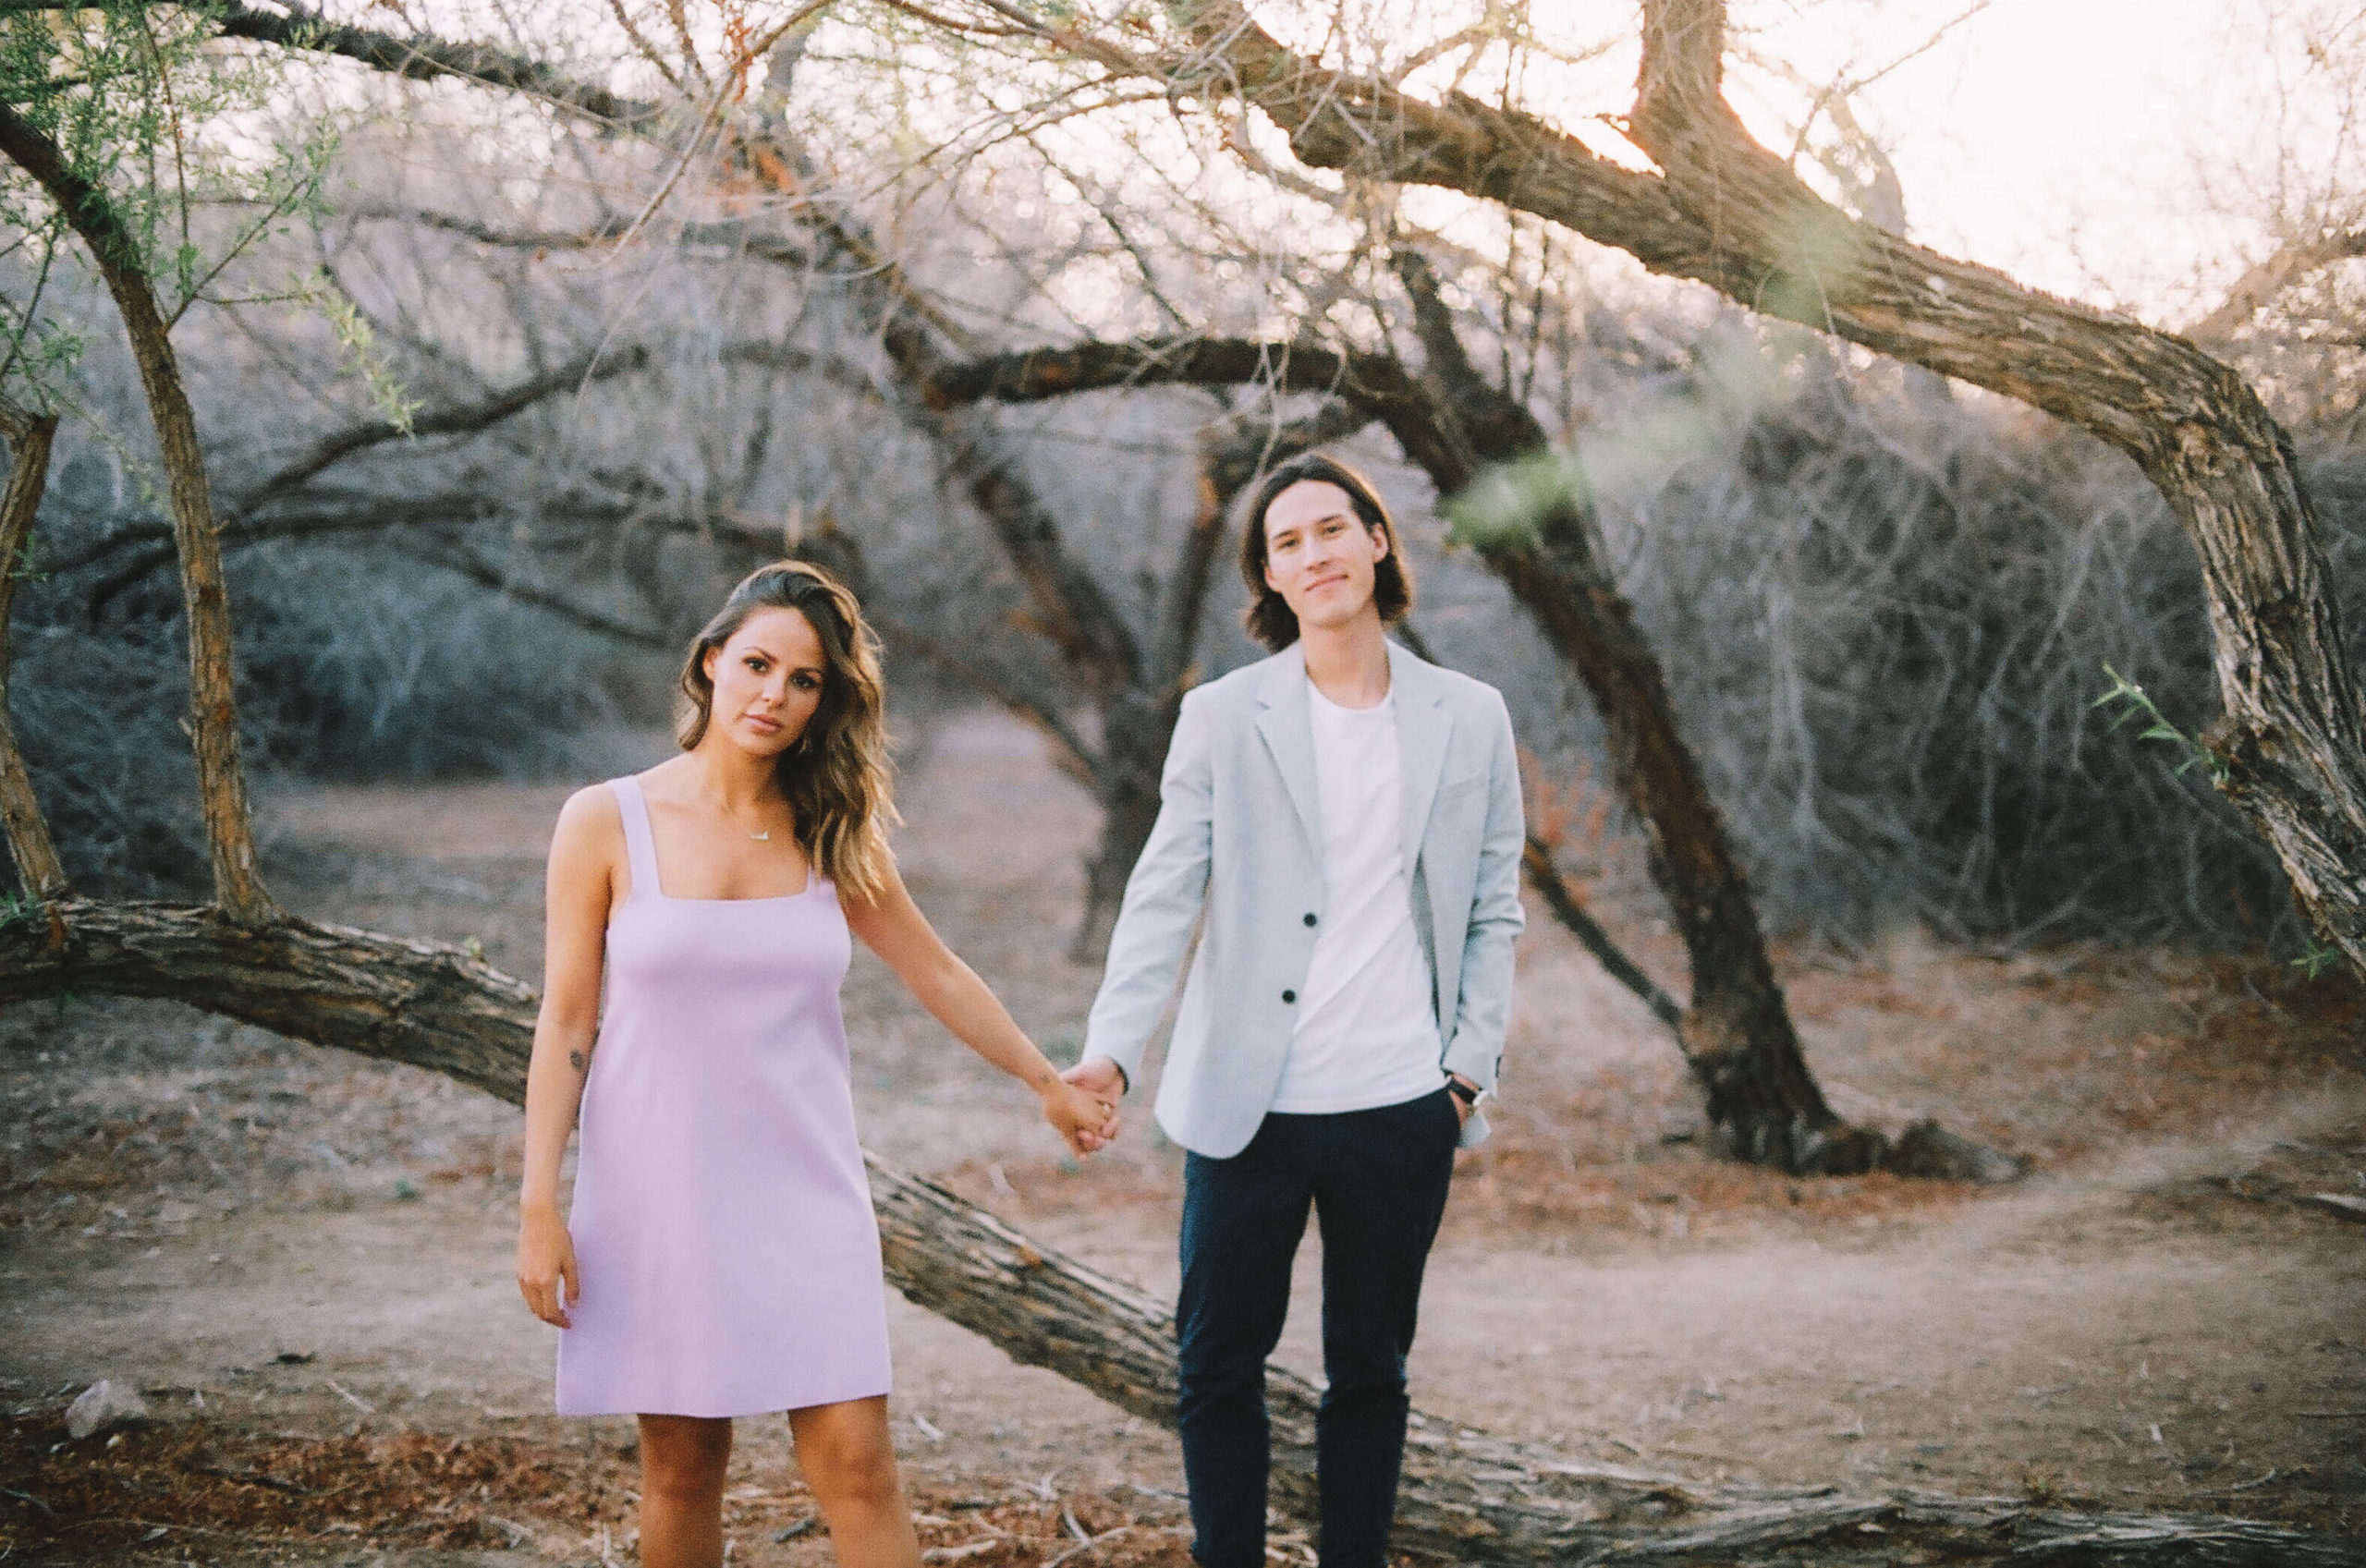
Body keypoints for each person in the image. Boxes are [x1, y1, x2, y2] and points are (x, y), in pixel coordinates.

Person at [516, 561, 1114, 1568]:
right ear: (710, 662)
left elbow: (937, 969)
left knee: (858, 1465)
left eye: (804, 680)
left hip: (805, 1190)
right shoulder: (604, 819)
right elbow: (567, 1014)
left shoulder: (829, 829)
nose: (774, 695)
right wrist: (540, 1200)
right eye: (756, 663)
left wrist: (1046, 1080)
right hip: (658, 1191)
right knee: (683, 1469)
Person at [1064, 453, 1524, 1568]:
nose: (1312, 553)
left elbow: (1493, 908)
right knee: (1217, 1361)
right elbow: (1164, 891)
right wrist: (1111, 1051)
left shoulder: (1469, 715)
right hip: (1247, 1104)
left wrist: (1464, 1070)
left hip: (1399, 1105)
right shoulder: (1225, 716)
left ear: (1376, 540)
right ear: (1267, 579)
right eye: (1285, 543)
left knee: (1368, 1368)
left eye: (1331, 528)